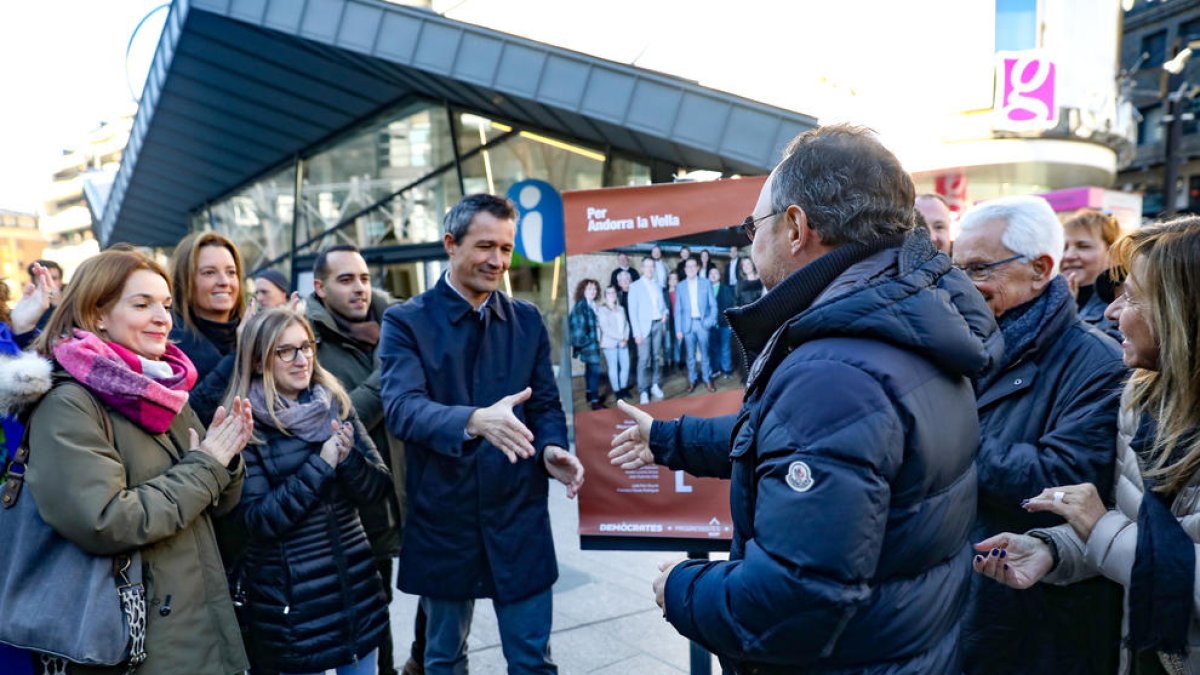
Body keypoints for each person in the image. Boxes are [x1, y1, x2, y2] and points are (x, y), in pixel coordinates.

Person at [608, 124, 999, 673]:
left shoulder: (836, 368)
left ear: (795, 227)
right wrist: (667, 438)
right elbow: (797, 439)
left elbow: (791, 603)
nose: (751, 239)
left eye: (754, 224)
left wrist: (680, 588)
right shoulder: (907, 319)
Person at [974, 217, 1200, 673]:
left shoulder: (1098, 368)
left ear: (1183, 312)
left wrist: (955, 448)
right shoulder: (1142, 398)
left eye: (1134, 297)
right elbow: (1126, 528)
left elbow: (1125, 537)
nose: (1113, 312)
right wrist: (1052, 549)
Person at [19, 249, 254, 675]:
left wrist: (228, 457)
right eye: (142, 304)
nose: (163, 317)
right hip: (133, 642)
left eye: (165, 305)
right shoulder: (68, 402)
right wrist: (208, 464)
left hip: (194, 621)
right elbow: (105, 520)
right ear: (97, 314)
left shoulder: (162, 387)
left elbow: (218, 501)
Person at [379, 193, 585, 675]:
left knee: (533, 662)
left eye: (506, 249)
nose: (497, 261)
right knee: (444, 660)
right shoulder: (405, 321)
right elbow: (401, 409)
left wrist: (553, 447)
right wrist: (474, 420)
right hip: (444, 520)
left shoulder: (528, 321)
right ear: (450, 244)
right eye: (485, 246)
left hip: (519, 516)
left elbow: (546, 405)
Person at [952, 195, 1126, 674]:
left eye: (978, 268)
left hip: (1033, 629)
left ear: (1039, 268)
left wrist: (943, 441)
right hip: (952, 613)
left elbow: (1063, 483)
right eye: (955, 268)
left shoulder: (1098, 364)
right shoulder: (953, 347)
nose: (960, 284)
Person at [227, 309, 392, 675]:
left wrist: (348, 460)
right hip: (295, 609)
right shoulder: (245, 426)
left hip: (355, 593)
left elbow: (378, 489)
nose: (302, 360)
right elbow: (258, 521)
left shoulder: (334, 402)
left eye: (306, 347)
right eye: (285, 351)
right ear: (257, 361)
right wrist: (322, 465)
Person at [306, 244, 409, 675]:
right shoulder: (308, 341)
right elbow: (339, 418)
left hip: (414, 490)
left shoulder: (400, 327)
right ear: (320, 288)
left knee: (446, 595)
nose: (359, 288)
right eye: (345, 280)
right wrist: (392, 369)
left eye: (364, 278)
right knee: (374, 611)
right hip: (360, 506)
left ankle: (419, 663)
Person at [169, 232, 249, 425]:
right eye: (209, 273)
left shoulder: (254, 330)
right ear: (185, 281)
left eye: (231, 272)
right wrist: (242, 353)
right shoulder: (169, 345)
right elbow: (190, 417)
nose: (224, 281)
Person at [1062, 208, 1123, 341]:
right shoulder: (1046, 299)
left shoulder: (1120, 307)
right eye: (1064, 247)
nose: (1068, 256)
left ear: (1111, 252)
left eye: (1083, 246)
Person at [628, 256, 669, 404]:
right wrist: (636, 333)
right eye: (647, 266)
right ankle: (643, 390)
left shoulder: (657, 285)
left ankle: (655, 385)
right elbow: (632, 313)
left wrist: (665, 314)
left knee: (657, 357)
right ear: (642, 268)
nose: (650, 269)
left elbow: (664, 307)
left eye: (652, 266)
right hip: (643, 329)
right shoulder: (635, 286)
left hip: (658, 324)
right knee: (644, 360)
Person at [673, 257, 717, 393]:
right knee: (690, 356)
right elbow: (678, 310)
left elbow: (713, 305)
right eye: (688, 267)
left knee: (705, 354)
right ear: (685, 270)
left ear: (697, 268)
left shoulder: (706, 283)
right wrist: (678, 329)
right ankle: (692, 380)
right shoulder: (680, 286)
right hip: (688, 325)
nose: (691, 269)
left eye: (693, 266)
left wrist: (710, 321)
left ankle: (707, 379)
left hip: (702, 324)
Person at [568, 278, 604, 410]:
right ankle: (595, 401)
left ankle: (589, 393)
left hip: (593, 344)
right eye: (589, 288)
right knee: (595, 371)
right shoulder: (580, 307)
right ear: (583, 290)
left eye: (594, 289)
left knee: (589, 369)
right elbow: (578, 335)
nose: (593, 291)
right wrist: (592, 339)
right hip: (590, 346)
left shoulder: (591, 304)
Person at [596, 285, 630, 402]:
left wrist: (625, 338)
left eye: (613, 293)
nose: (612, 295)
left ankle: (624, 388)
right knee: (613, 368)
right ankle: (617, 391)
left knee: (625, 366)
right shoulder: (602, 310)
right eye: (609, 293)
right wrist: (621, 338)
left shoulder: (621, 309)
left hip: (623, 342)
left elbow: (626, 325)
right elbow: (606, 329)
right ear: (605, 296)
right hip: (609, 344)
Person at [707, 266, 734, 378]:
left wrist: (731, 323)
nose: (713, 275)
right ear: (708, 277)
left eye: (715, 273)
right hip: (711, 326)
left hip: (725, 324)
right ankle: (716, 369)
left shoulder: (726, 289)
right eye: (711, 273)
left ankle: (727, 370)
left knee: (725, 348)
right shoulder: (705, 289)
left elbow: (731, 307)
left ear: (719, 275)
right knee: (714, 349)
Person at [27, 259, 62, 330]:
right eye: (43, 278)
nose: (49, 282)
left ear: (60, 282)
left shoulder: (74, 305)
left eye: (54, 278)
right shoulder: (27, 311)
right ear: (33, 281)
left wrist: (59, 306)